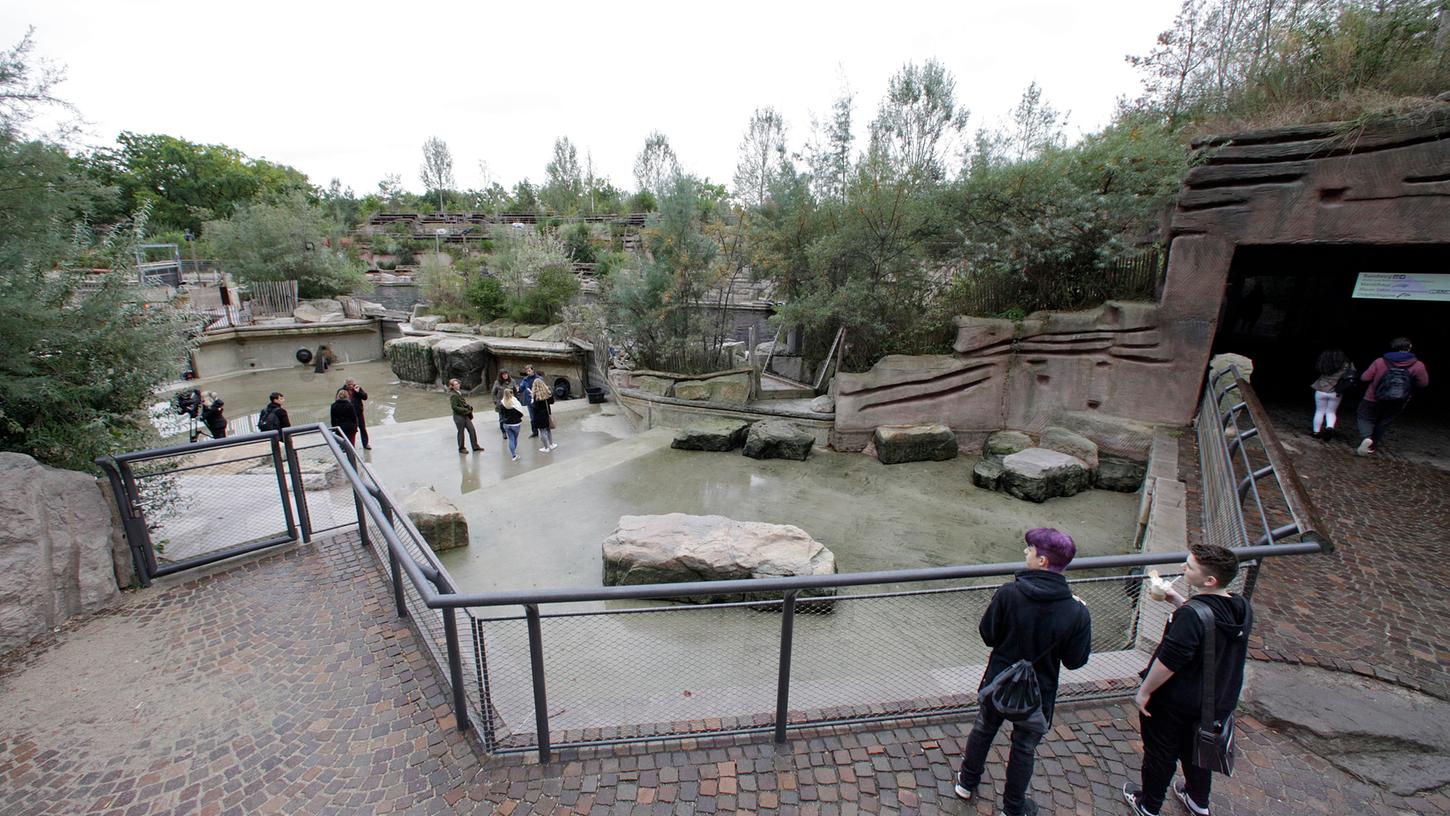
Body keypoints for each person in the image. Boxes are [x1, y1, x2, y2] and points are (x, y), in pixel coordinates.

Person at [954, 528, 1092, 816]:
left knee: (984, 728)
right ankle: (1013, 807)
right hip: (1038, 692)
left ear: (1042, 560)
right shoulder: (1076, 612)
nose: (1025, 553)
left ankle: (966, 782)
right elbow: (1075, 661)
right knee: (1025, 747)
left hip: (999, 681)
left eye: (1029, 550)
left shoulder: (1009, 593)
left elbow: (988, 635)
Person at [1124, 544, 1253, 816]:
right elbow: (1210, 627)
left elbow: (1170, 660)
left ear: (1209, 580)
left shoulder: (1190, 617)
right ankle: (1198, 800)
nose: (1184, 568)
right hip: (1216, 700)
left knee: (1160, 753)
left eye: (1190, 566)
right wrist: (1178, 600)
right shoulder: (1241, 608)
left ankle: (1149, 805)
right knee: (1198, 751)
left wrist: (1144, 691)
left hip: (1177, 702)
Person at [1355, 336, 1430, 455]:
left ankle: (1366, 438)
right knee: (1384, 422)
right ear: (1409, 348)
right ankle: (1372, 447)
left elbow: (1365, 378)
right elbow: (1423, 383)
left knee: (1364, 417)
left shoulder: (1380, 361)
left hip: (1372, 397)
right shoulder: (1418, 365)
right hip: (1398, 401)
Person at [1309, 349, 1354, 442]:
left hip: (1321, 389)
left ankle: (1316, 432)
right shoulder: (1347, 364)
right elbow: (1352, 374)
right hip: (1336, 391)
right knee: (1331, 412)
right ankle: (1329, 428)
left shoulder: (1324, 361)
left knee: (1319, 411)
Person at [448, 379, 484, 454]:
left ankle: (475, 446)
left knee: (472, 430)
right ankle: (461, 448)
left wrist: (467, 406)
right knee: (461, 432)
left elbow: (461, 403)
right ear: (452, 386)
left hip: (465, 415)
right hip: (459, 417)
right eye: (456, 384)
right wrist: (465, 410)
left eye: (458, 384)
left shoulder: (458, 393)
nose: (458, 385)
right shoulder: (453, 395)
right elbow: (454, 407)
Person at [530, 377, 557, 453]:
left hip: (539, 416)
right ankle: (551, 444)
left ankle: (546, 447)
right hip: (547, 413)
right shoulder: (547, 393)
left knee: (542, 432)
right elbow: (552, 402)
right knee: (548, 430)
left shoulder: (536, 396)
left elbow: (535, 408)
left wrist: (532, 401)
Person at [343, 378, 371, 449]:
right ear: (346, 384)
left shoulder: (357, 388)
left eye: (351, 384)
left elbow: (365, 397)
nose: (350, 386)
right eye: (348, 385)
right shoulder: (342, 391)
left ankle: (365, 444)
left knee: (362, 428)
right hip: (349, 414)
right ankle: (349, 445)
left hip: (358, 412)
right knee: (350, 430)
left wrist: (359, 392)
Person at [499, 389, 525, 461]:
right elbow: (520, 412)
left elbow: (501, 414)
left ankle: (513, 455)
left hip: (506, 424)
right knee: (515, 439)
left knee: (511, 439)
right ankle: (514, 453)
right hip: (515, 424)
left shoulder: (502, 403)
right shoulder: (515, 402)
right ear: (512, 393)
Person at [491, 370, 517, 441]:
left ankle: (511, 431)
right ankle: (503, 432)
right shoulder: (497, 383)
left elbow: (515, 391)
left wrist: (515, 400)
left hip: (511, 403)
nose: (505, 376)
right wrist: (496, 402)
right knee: (502, 419)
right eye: (503, 374)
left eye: (506, 374)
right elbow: (493, 393)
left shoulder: (512, 381)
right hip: (501, 404)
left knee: (512, 418)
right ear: (501, 375)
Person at [518, 364, 541, 437]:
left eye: (529, 371)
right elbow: (521, 388)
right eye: (527, 371)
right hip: (529, 401)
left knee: (539, 416)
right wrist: (518, 389)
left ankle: (543, 431)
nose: (528, 372)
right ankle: (534, 432)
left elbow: (542, 388)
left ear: (532, 370)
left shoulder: (538, 378)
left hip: (538, 400)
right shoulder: (525, 379)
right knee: (532, 418)